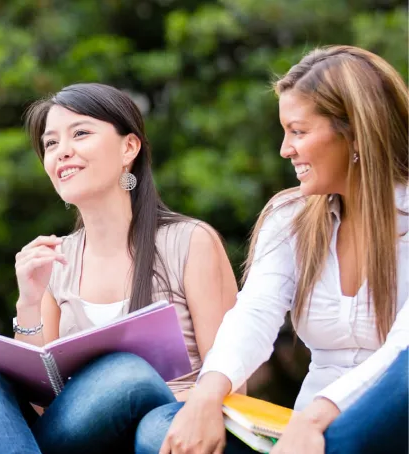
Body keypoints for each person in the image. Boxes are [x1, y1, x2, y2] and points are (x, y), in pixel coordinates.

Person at [136, 45, 408, 454]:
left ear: (355, 132)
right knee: (163, 426)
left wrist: (317, 418)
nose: (285, 149)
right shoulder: (290, 217)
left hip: (374, 426)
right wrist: (207, 396)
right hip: (300, 436)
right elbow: (255, 314)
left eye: (298, 131)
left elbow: (400, 351)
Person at [0, 83, 239, 454]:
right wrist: (30, 301)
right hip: (76, 440)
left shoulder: (190, 242)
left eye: (80, 134)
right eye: (50, 144)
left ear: (129, 148)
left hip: (165, 428)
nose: (62, 152)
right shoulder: (56, 261)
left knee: (126, 373)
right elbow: (39, 401)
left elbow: (234, 379)